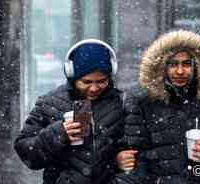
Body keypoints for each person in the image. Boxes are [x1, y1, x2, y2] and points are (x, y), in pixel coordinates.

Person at [116, 30, 200, 184]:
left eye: (186, 64)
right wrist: (120, 159)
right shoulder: (142, 101)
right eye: (173, 64)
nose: (180, 71)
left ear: (198, 65)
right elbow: (130, 152)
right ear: (162, 66)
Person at [14, 39, 124, 184]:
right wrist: (58, 133)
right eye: (87, 82)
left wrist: (118, 161)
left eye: (101, 81)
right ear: (72, 75)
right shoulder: (48, 103)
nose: (94, 88)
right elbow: (27, 153)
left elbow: (141, 152)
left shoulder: (123, 103)